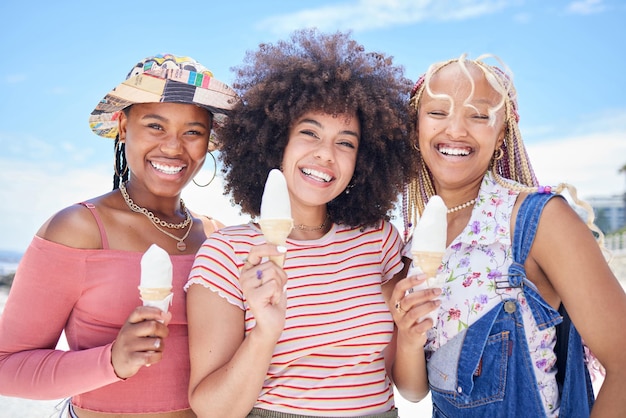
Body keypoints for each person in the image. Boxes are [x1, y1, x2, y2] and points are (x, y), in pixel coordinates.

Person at [185, 29, 437, 418]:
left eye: (346, 142)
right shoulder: (227, 253)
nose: (325, 155)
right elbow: (212, 410)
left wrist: (409, 336)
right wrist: (264, 334)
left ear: (364, 159)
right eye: (309, 133)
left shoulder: (379, 241)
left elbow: (412, 391)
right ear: (275, 142)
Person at [0, 53, 238, 417]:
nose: (174, 147)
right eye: (155, 126)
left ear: (208, 142)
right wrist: (112, 360)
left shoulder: (218, 237)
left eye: (193, 131)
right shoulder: (78, 229)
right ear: (124, 127)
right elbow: (6, 369)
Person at [392, 53, 626, 417]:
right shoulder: (412, 246)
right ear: (415, 128)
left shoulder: (539, 221)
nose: (455, 129)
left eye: (479, 115)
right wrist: (408, 337)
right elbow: (413, 391)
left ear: (502, 132)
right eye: (438, 113)